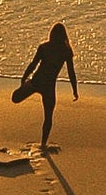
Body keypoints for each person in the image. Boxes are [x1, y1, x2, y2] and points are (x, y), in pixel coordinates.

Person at [12, 21, 78, 150]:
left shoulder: (44, 47)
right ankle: (43, 144)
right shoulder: (66, 51)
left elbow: (33, 64)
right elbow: (71, 72)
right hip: (48, 86)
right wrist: (74, 90)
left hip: (36, 82)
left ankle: (25, 86)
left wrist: (24, 78)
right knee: (48, 117)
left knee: (15, 98)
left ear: (51, 34)